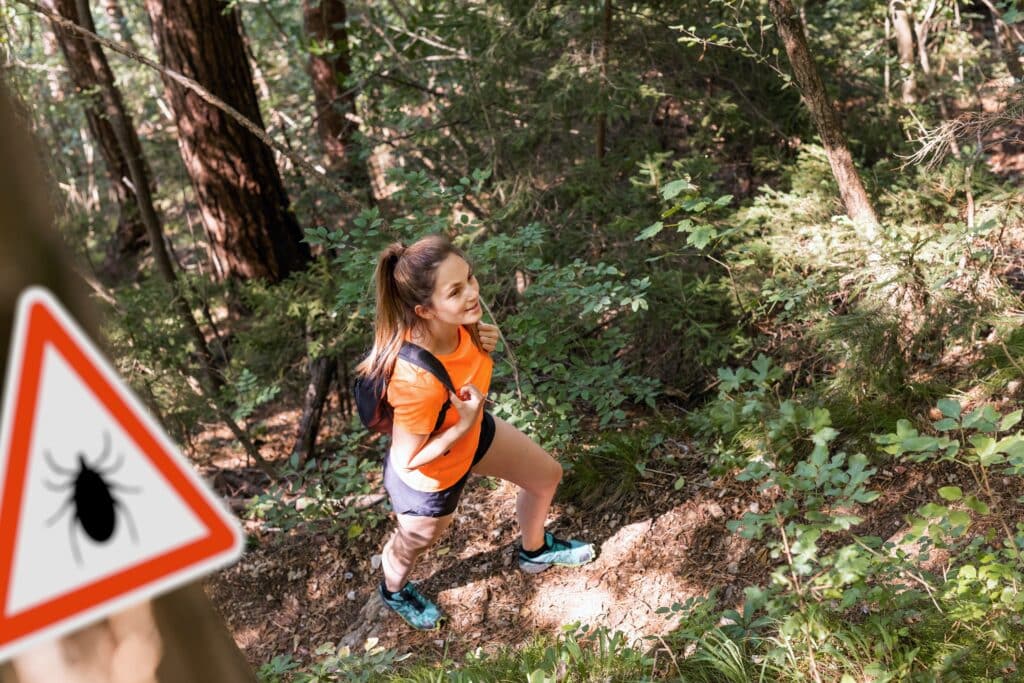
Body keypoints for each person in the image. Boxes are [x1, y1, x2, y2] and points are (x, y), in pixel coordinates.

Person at [356, 234, 595, 630]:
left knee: (546, 476)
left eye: (469, 279)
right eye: (455, 291)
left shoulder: (464, 328)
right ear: (425, 310)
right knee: (415, 543)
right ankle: (393, 590)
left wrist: (484, 345)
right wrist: (465, 422)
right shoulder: (414, 379)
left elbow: (467, 376)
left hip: (473, 436)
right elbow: (407, 459)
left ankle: (534, 551)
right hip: (430, 478)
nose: (472, 294)